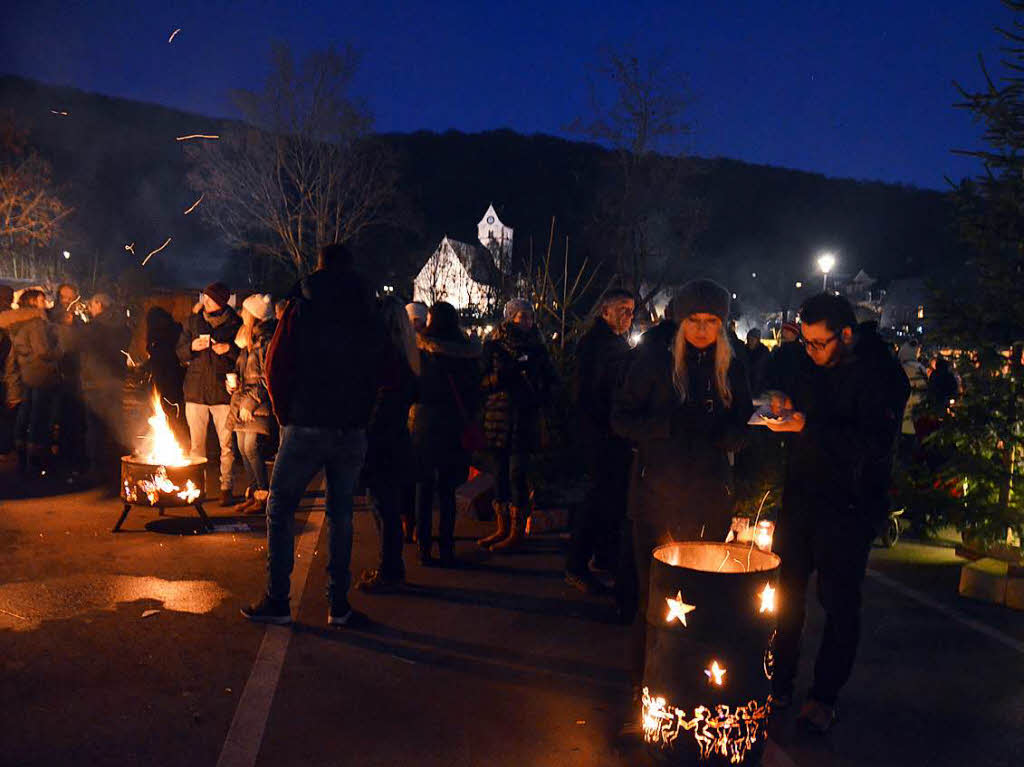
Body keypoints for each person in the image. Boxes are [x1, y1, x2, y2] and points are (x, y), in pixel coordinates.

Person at [763, 293, 909, 733]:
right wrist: (783, 406)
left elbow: (874, 445)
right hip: (802, 497)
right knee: (784, 595)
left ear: (845, 335)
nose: (810, 351)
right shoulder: (813, 363)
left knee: (839, 603)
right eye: (804, 342)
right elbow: (803, 403)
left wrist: (808, 426)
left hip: (849, 505)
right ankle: (778, 682)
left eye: (818, 343)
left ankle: (823, 697)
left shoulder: (883, 375)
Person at [243, 243, 395, 626]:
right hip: (350, 428)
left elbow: (275, 365)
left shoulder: (300, 307)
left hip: (305, 423)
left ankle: (278, 600)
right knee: (341, 515)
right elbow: (387, 370)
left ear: (320, 267)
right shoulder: (370, 312)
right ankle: (338, 605)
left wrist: (283, 415)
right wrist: (364, 411)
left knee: (280, 508)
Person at [611, 278, 752, 690]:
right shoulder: (654, 360)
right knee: (654, 597)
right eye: (694, 320)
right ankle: (646, 688)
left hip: (709, 497)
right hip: (655, 495)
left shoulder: (732, 364)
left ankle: (689, 684)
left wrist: (734, 435)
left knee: (703, 595)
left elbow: (742, 420)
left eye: (712, 321)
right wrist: (662, 427)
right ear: (680, 320)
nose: (703, 330)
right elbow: (620, 418)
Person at [565, 289, 635, 596]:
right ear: (605, 311)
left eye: (631, 310)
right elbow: (588, 392)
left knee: (610, 499)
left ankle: (604, 555)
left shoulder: (615, 343)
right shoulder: (596, 345)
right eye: (622, 309)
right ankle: (576, 565)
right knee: (595, 500)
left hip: (612, 433)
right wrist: (605, 426)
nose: (628, 316)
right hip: (600, 435)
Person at [478, 298, 557, 553]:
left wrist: (540, 391)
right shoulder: (494, 346)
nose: (527, 321)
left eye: (529, 316)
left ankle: (515, 531)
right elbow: (480, 382)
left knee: (517, 474)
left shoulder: (538, 349)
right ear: (510, 317)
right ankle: (501, 528)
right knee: (499, 473)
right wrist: (501, 377)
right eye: (521, 316)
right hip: (498, 419)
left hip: (524, 419)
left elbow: (551, 382)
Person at [410, 301, 482, 566]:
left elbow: (413, 387)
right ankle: (447, 546)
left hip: (426, 424)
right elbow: (476, 393)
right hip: (455, 426)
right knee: (448, 491)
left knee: (424, 488)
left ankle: (424, 546)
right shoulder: (468, 354)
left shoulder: (422, 351)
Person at [357, 296, 419, 590]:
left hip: (381, 441)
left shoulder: (387, 357)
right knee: (386, 506)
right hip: (395, 439)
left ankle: (390, 571)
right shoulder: (407, 354)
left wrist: (365, 429)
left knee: (383, 507)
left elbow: (381, 402)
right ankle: (392, 568)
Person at [176, 282, 241, 506]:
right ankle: (197, 488)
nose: (206, 301)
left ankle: (226, 487)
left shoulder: (235, 323)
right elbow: (180, 352)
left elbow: (245, 354)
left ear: (221, 302)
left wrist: (229, 350)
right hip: (195, 391)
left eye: (211, 299)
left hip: (222, 392)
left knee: (226, 445)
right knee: (196, 446)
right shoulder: (193, 322)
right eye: (205, 297)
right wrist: (192, 347)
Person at [226, 294, 277, 515]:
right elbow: (243, 371)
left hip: (256, 404)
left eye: (245, 311)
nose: (241, 314)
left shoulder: (264, 341)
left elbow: (265, 378)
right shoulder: (247, 341)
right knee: (242, 449)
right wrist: (232, 384)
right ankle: (254, 493)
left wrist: (249, 402)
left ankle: (263, 496)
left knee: (251, 448)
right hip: (242, 400)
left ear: (254, 316)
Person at [2, 289, 60, 473]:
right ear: (34, 302)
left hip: (23, 374)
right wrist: (61, 351)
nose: (45, 302)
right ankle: (36, 458)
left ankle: (21, 455)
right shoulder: (36, 324)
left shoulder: (16, 322)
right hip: (40, 374)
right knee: (38, 417)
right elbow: (42, 351)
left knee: (24, 415)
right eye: (42, 299)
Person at [79, 293, 131, 484]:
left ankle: (97, 470)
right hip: (115, 380)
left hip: (95, 381)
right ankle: (119, 467)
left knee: (95, 427)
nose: (90, 309)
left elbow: (81, 348)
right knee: (116, 424)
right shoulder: (121, 326)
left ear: (99, 304)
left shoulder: (93, 327)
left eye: (91, 305)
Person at [144, 307, 186, 444]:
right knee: (167, 416)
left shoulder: (164, 336)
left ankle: (178, 446)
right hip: (165, 382)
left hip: (169, 382)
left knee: (172, 417)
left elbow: (161, 358)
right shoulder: (170, 332)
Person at [745, 328, 770, 394]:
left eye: (753, 339)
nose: (750, 341)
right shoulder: (744, 350)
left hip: (760, 388)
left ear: (758, 340)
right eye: (748, 339)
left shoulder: (763, 352)